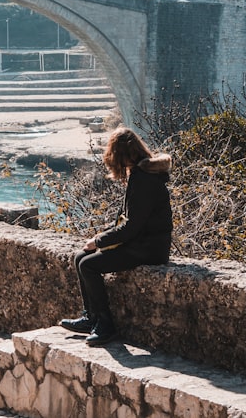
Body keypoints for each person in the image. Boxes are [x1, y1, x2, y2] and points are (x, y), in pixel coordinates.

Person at [59, 127, 172, 346]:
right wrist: (102, 237)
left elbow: (131, 227)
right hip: (142, 243)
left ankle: (105, 325)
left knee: (88, 265)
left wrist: (100, 241)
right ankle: (90, 317)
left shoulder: (143, 180)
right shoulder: (141, 174)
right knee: (80, 258)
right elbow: (126, 219)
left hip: (148, 248)